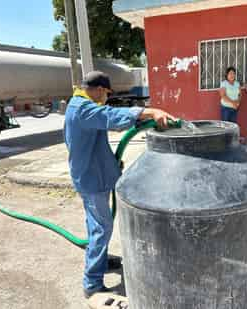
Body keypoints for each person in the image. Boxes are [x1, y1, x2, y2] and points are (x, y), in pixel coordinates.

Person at [64, 71, 176, 298]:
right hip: (91, 180)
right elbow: (110, 116)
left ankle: (101, 260)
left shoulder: (78, 104)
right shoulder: (83, 109)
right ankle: (92, 283)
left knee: (95, 225)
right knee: (101, 228)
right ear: (98, 90)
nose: (106, 98)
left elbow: (94, 142)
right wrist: (150, 111)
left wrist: (112, 164)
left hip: (93, 174)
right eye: (106, 94)